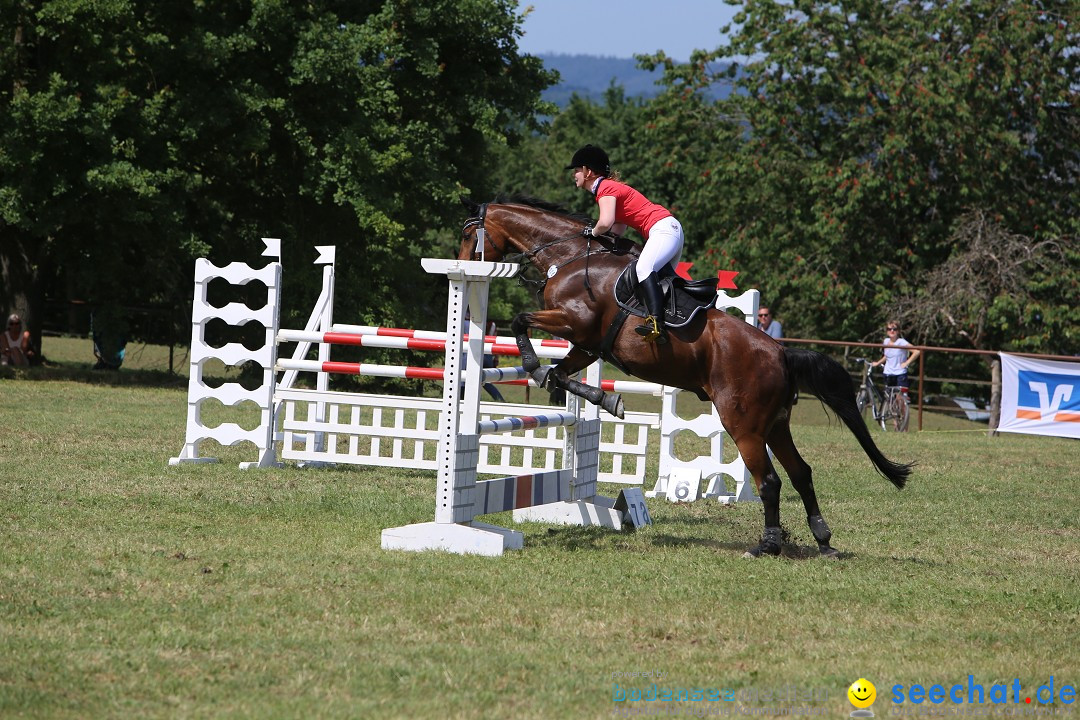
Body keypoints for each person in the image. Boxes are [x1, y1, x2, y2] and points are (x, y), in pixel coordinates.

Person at [566, 144, 683, 345]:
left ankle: (656, 323)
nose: (574, 175)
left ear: (588, 172)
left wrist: (591, 232)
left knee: (643, 269)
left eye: (577, 170)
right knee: (662, 282)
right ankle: (677, 323)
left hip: (663, 230)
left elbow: (605, 222)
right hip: (669, 230)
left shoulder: (605, 188)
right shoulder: (608, 189)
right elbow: (617, 229)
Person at [870, 320, 920, 395]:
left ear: (898, 331)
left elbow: (917, 352)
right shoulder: (886, 341)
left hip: (900, 374)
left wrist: (906, 363)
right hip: (888, 373)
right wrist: (878, 363)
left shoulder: (901, 342)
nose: (892, 331)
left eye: (894, 329)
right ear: (887, 331)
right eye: (889, 329)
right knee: (888, 397)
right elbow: (887, 356)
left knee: (900, 397)